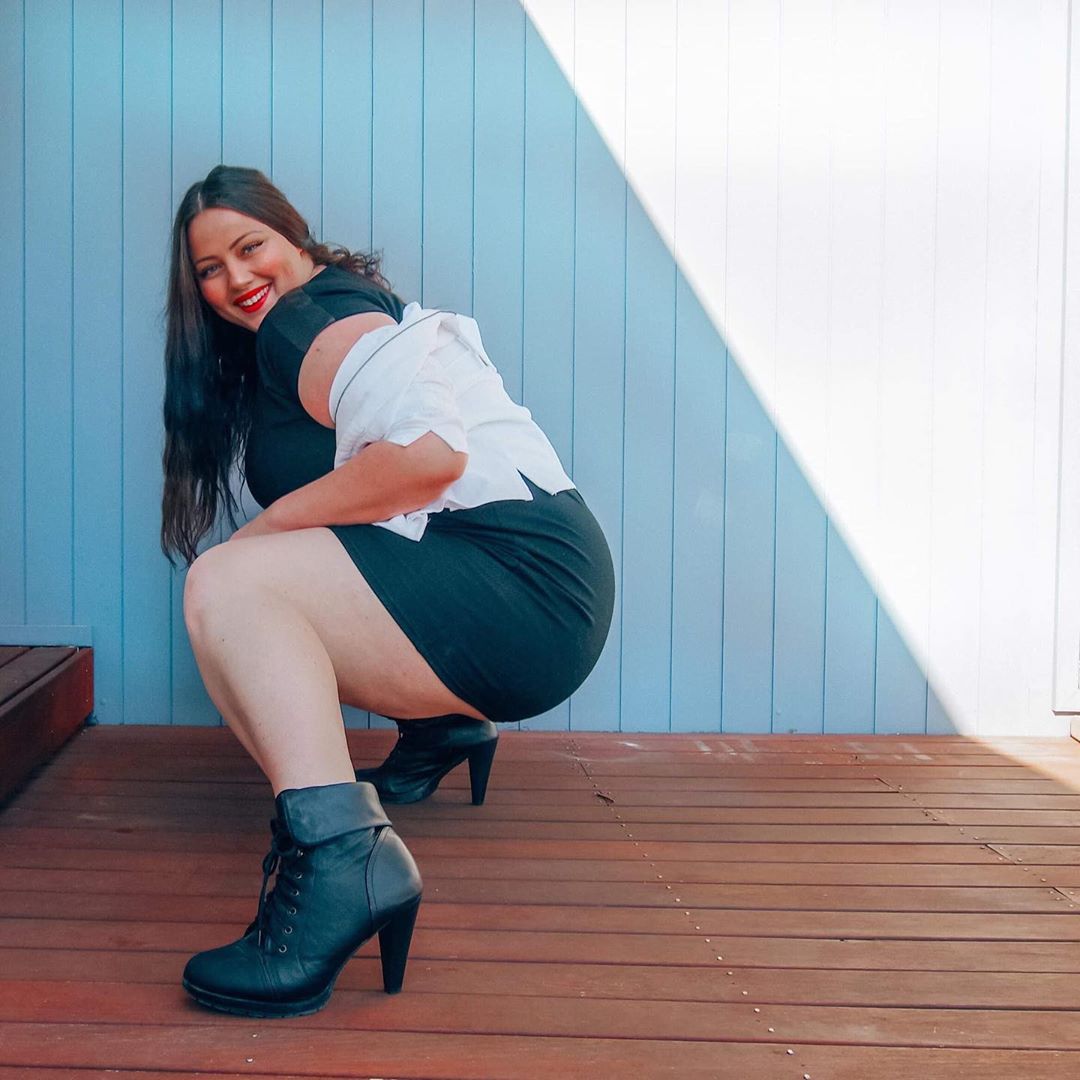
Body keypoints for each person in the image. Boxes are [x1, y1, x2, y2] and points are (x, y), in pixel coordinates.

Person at [161, 164, 615, 1018]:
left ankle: (342, 860)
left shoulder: (307, 322)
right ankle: (442, 726)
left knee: (227, 583)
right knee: (270, 568)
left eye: (250, 247)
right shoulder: (328, 313)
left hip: (523, 586)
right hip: (541, 582)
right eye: (210, 270)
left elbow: (429, 455)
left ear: (293, 237)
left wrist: (265, 529)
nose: (235, 279)